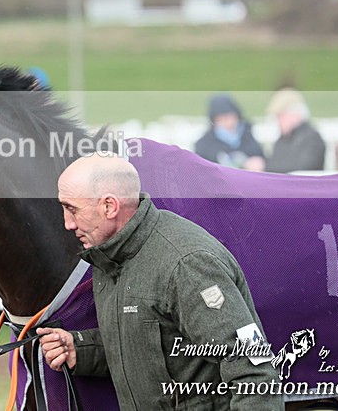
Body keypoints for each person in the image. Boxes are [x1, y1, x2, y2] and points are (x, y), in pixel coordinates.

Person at [38, 154, 283, 410]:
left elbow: (255, 371)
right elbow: (153, 342)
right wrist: (81, 349)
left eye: (72, 209)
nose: (68, 223)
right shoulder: (109, 254)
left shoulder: (187, 264)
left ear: (109, 206)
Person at [194, 93, 265, 171]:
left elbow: (261, 157)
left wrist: (259, 162)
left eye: (230, 117)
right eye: (221, 119)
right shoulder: (204, 145)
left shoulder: (247, 135)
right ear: (214, 121)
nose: (228, 123)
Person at [265, 88, 326, 173]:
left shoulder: (312, 139)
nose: (278, 122)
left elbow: (301, 168)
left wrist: (264, 165)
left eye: (280, 116)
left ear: (295, 114)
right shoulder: (283, 139)